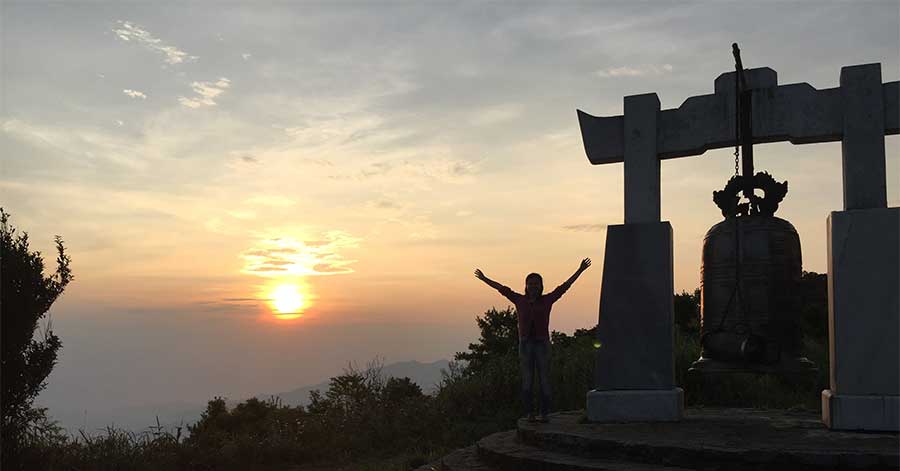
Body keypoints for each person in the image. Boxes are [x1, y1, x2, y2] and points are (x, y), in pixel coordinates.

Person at [473, 258, 591, 423]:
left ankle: (544, 414)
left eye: (536, 283)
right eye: (530, 283)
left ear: (541, 286)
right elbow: (501, 288)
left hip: (542, 344)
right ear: (526, 286)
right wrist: (485, 279)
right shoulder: (519, 300)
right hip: (525, 345)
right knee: (528, 381)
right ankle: (529, 414)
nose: (533, 286)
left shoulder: (547, 300)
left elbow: (564, 287)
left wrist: (580, 270)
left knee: (544, 380)